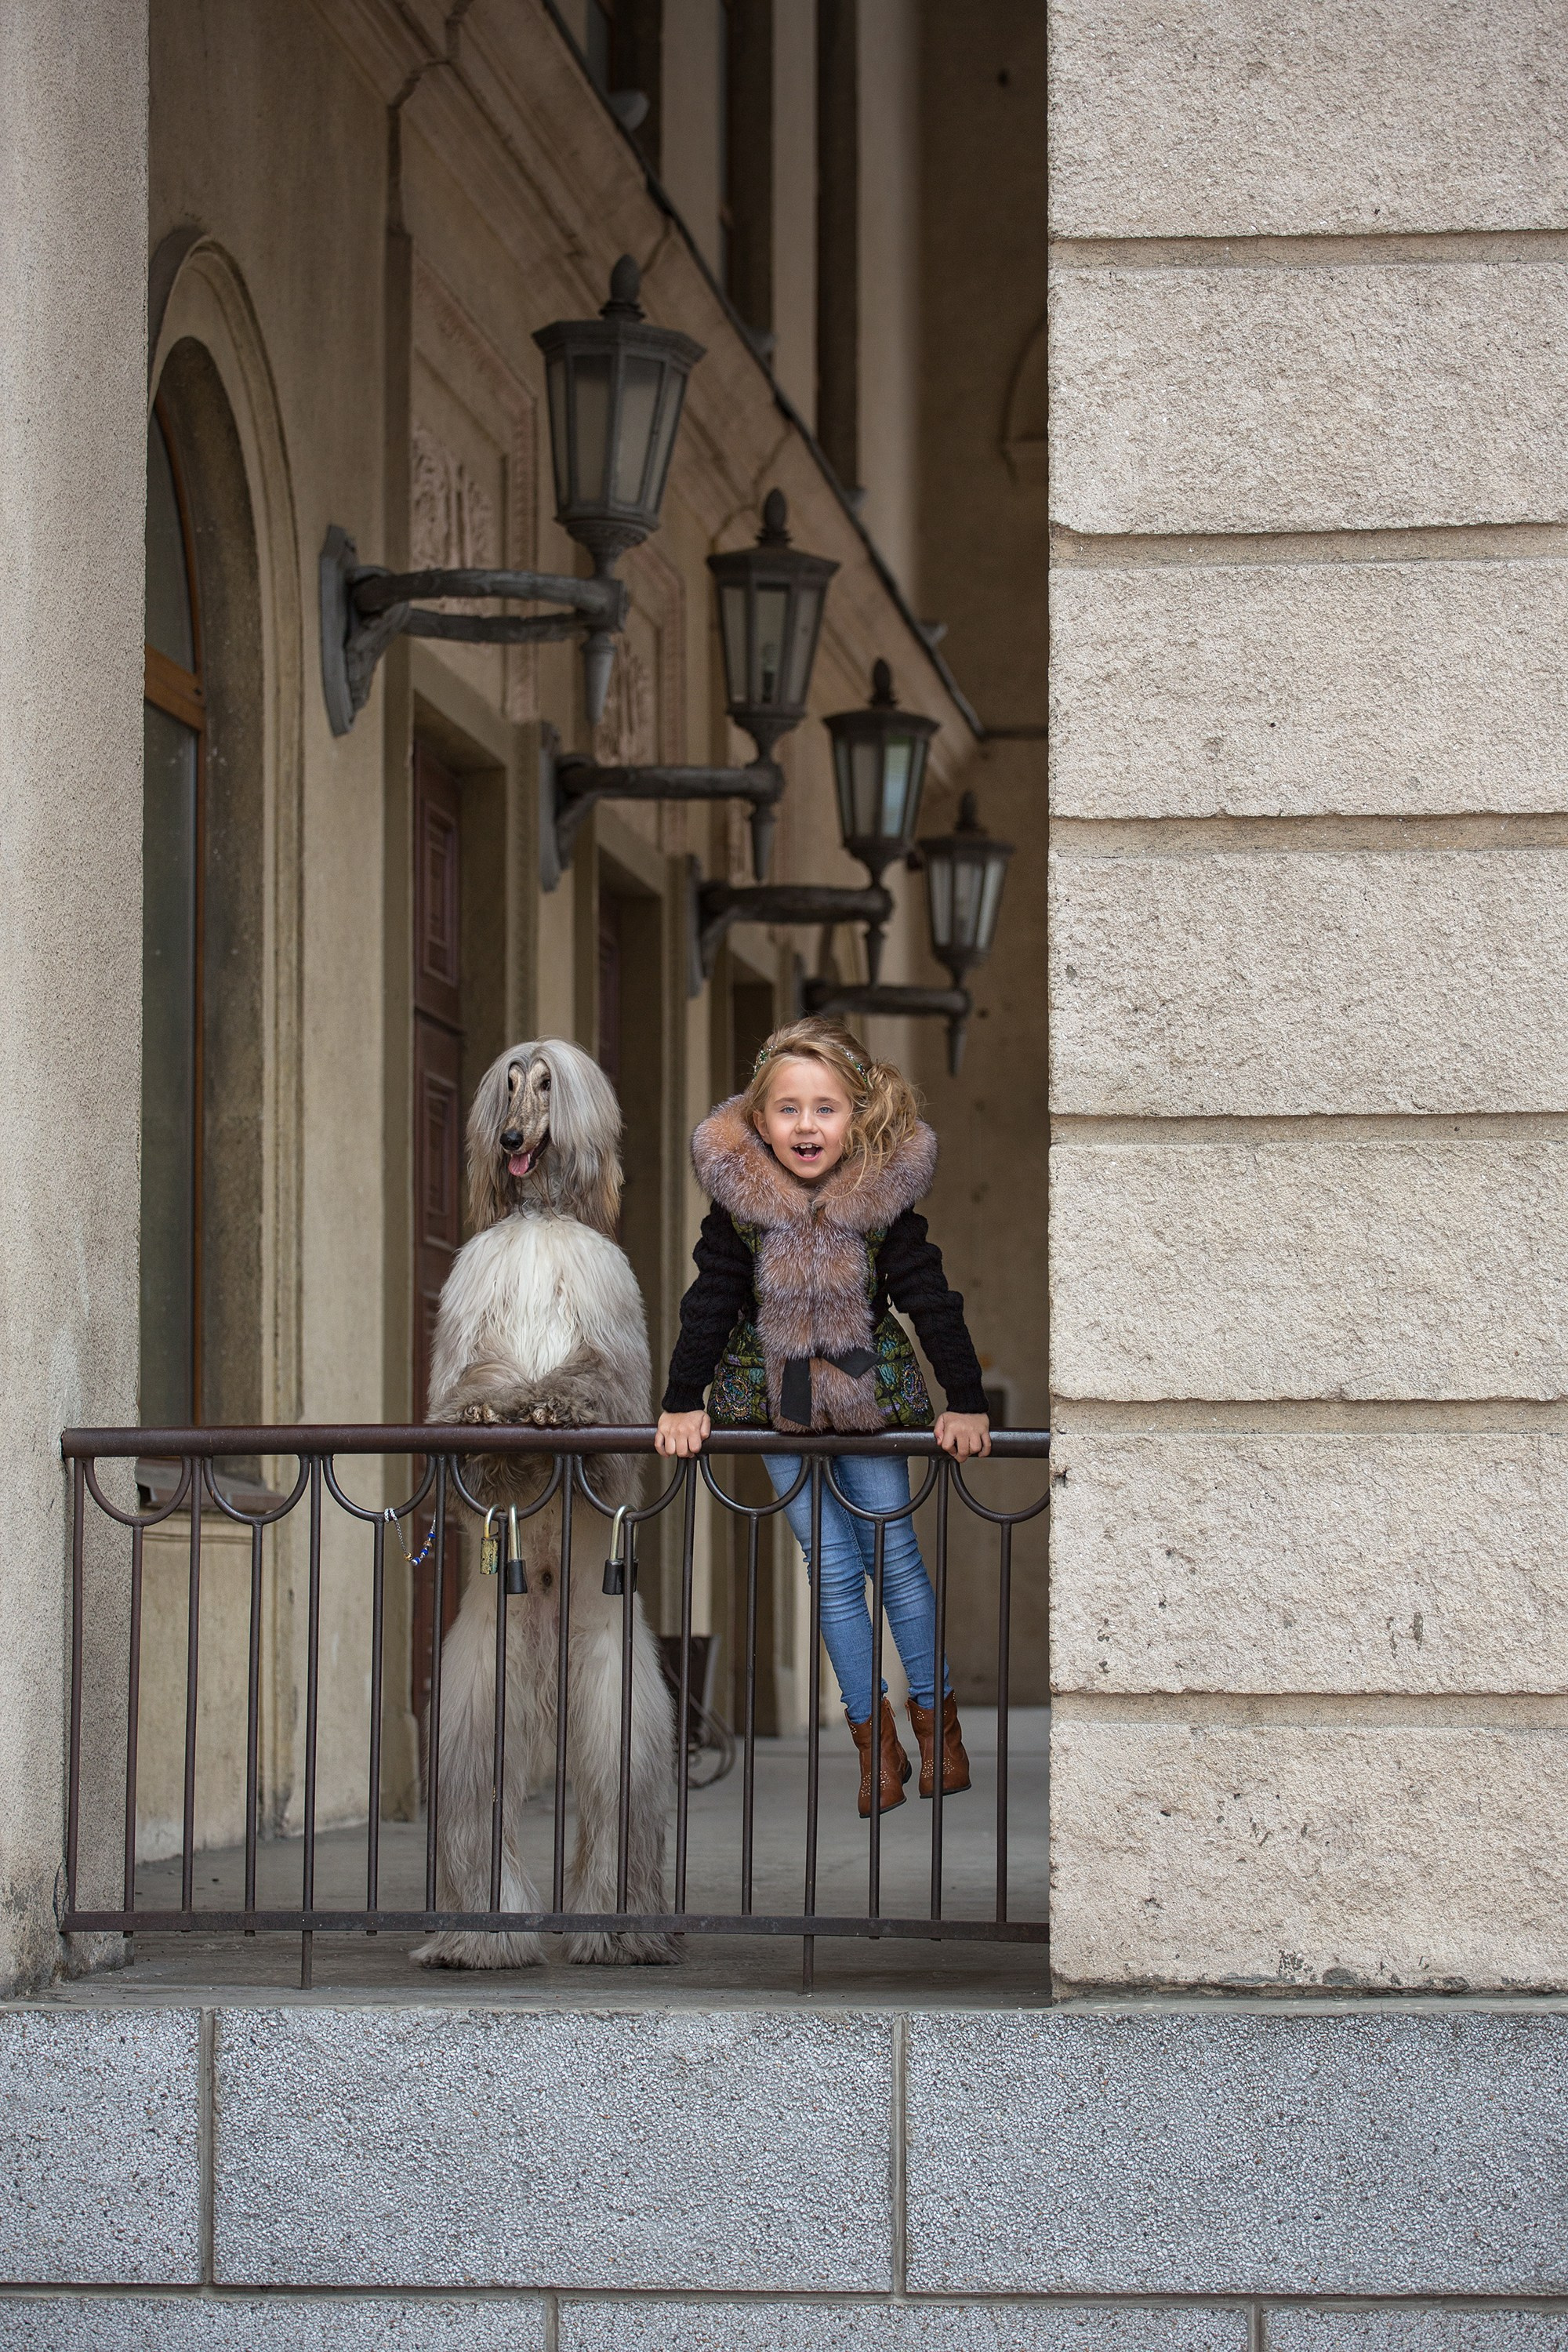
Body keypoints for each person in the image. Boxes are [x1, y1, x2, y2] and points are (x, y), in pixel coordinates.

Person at [655, 1015, 991, 1817]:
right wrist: (681, 1400)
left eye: (825, 1108)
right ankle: (875, 1747)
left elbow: (929, 1297)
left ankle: (938, 1728)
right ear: (759, 1119)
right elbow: (710, 1301)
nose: (806, 1126)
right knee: (832, 1571)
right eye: (788, 1109)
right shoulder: (742, 1206)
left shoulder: (879, 1200)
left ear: (856, 1116)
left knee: (893, 1557)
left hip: (863, 1388)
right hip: (776, 1394)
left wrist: (966, 1401)